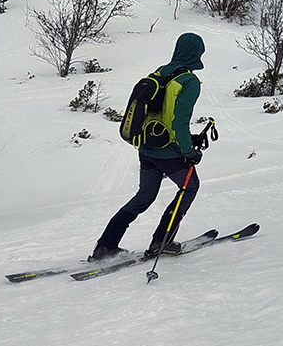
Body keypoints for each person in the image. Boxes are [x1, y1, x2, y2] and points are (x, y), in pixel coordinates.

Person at [88, 32, 207, 262]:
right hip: (169, 152)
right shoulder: (188, 81)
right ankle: (162, 242)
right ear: (196, 53)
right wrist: (189, 151)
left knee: (145, 196)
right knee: (190, 187)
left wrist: (188, 138)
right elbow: (178, 121)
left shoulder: (161, 72)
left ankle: (105, 246)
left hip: (147, 148)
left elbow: (162, 115)